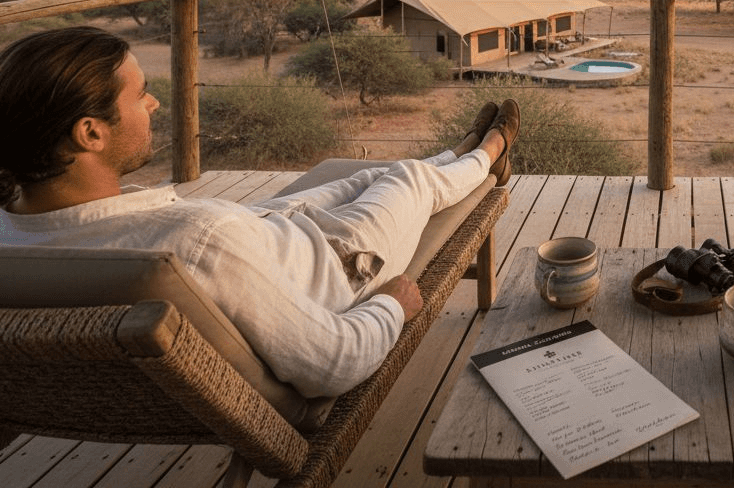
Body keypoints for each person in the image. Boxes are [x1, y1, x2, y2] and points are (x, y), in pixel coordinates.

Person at [0, 26, 519, 399]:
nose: (155, 104)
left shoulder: (12, 237)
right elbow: (331, 364)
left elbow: (214, 237)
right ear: (90, 132)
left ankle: (455, 156)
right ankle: (487, 155)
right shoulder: (197, 240)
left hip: (263, 236)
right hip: (339, 270)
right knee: (408, 181)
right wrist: (393, 306)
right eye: (140, 95)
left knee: (367, 177)